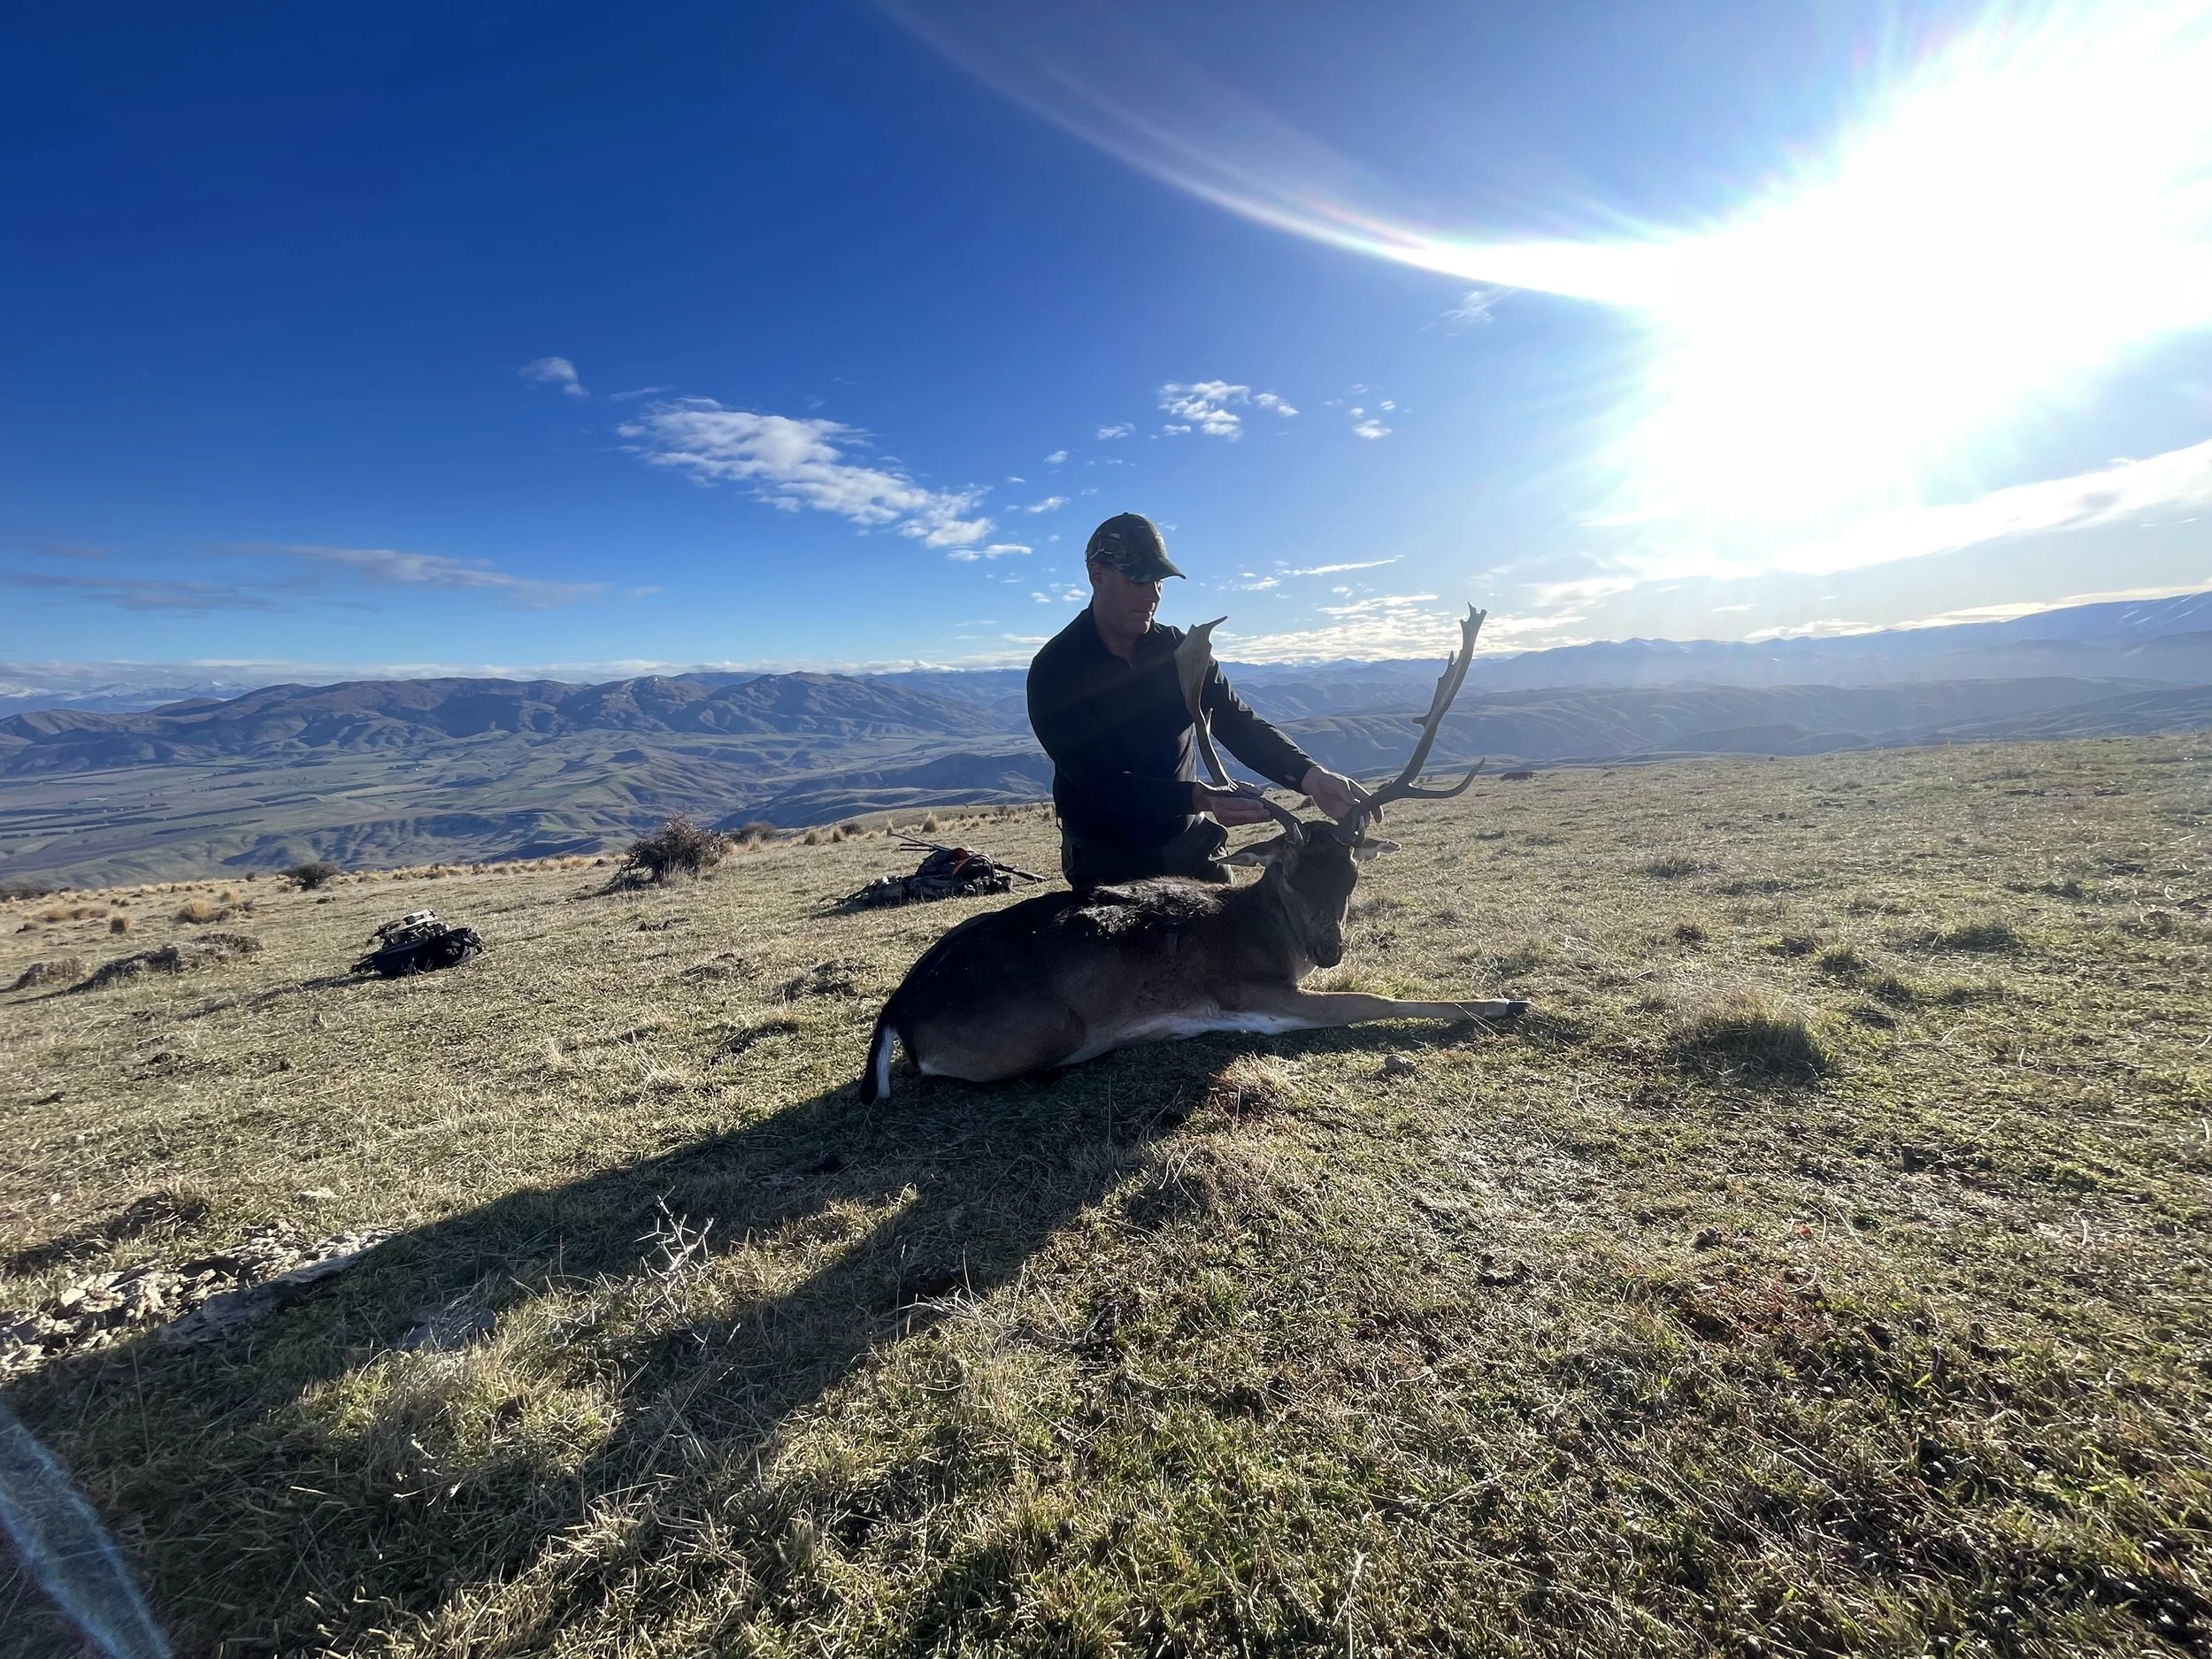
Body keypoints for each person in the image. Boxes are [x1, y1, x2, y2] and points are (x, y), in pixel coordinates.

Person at [1026, 511, 1371, 889]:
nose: (1153, 593)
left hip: (1187, 843)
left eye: (1158, 581)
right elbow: (1101, 782)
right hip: (1106, 856)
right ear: (1097, 575)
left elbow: (1237, 722)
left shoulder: (1182, 652)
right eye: (1137, 579)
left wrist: (1310, 777)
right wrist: (1200, 798)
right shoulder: (1055, 671)